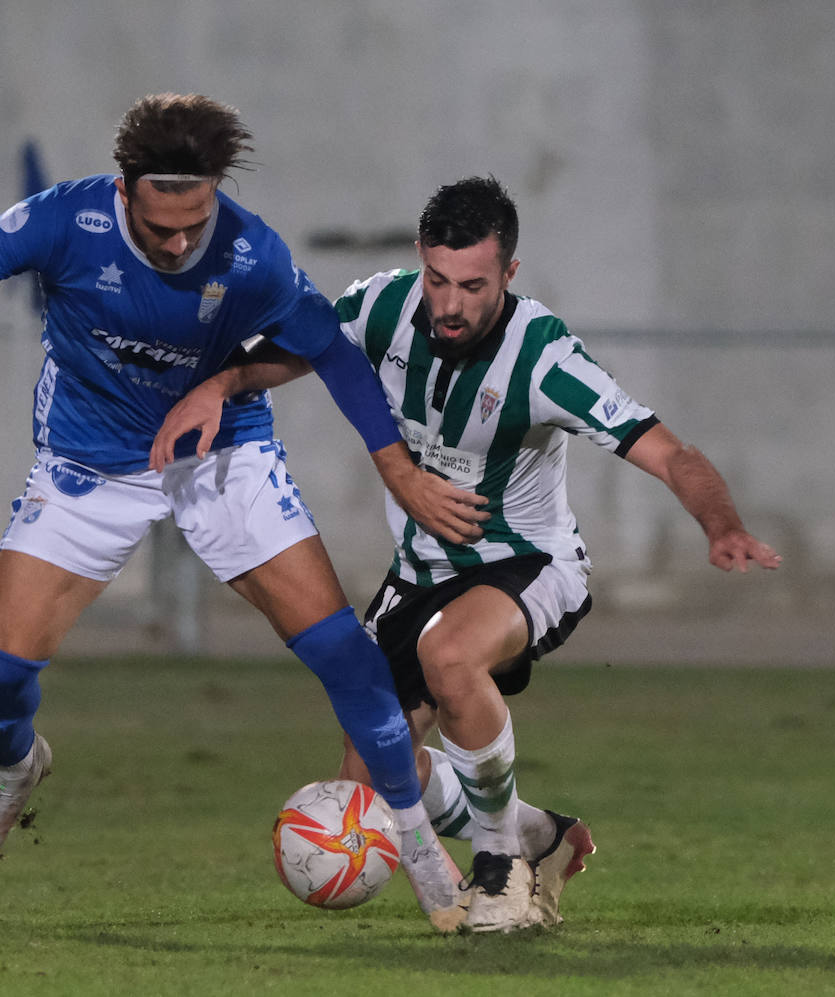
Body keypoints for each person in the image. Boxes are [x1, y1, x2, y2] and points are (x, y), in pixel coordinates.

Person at [0, 94, 490, 933]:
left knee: (343, 650)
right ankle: (16, 770)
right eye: (162, 229)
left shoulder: (252, 253)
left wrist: (396, 471)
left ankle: (416, 844)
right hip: (89, 461)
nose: (183, 242)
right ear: (124, 193)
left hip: (221, 454)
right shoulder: (60, 221)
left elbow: (328, 348)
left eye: (197, 222)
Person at [151, 175, 782, 933]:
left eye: (473, 285)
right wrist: (218, 384)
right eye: (439, 279)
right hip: (417, 574)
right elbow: (292, 349)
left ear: (509, 275)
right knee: (377, 786)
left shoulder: (544, 358)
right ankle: (541, 834)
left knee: (451, 656)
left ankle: (499, 866)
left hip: (528, 565)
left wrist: (723, 523)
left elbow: (673, 453)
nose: (449, 304)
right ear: (421, 258)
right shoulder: (386, 305)